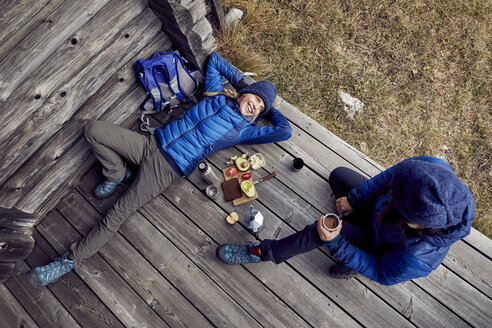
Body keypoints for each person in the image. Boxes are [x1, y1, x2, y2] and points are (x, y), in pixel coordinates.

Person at [29, 52, 293, 286]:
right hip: (150, 144)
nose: (256, 106)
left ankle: (69, 261)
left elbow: (285, 130)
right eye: (256, 99)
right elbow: (215, 60)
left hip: (168, 168)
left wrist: (270, 110)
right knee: (93, 130)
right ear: (246, 92)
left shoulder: (243, 131)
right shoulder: (214, 94)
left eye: (260, 108)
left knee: (117, 213)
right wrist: (245, 87)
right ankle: (117, 174)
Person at [216, 156, 475, 286]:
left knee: (319, 231)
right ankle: (350, 221)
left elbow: (381, 273)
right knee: (338, 176)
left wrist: (337, 243)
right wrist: (355, 199)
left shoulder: (418, 258)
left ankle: (263, 252)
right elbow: (388, 178)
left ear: (417, 223)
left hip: (378, 245)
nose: (392, 192)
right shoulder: (430, 171)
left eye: (397, 199)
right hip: (378, 215)